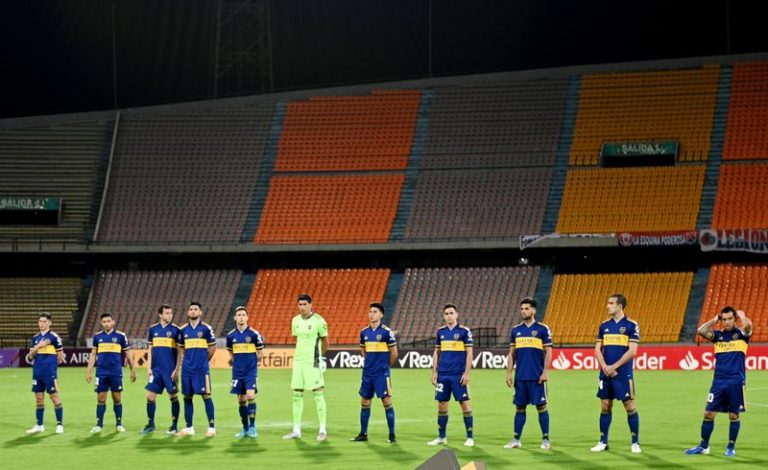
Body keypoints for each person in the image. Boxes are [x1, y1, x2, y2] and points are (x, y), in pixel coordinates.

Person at [685, 307, 753, 457]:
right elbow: (701, 331)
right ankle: (704, 446)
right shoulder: (717, 335)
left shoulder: (741, 334)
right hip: (718, 382)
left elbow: (749, 327)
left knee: (733, 415)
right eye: (724, 319)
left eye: (729, 318)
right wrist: (714, 320)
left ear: (734, 319)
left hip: (736, 381)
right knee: (708, 413)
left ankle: (730, 447)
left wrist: (743, 316)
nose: (727, 322)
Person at [590, 294, 641, 453]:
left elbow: (632, 351)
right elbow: (598, 349)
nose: (607, 306)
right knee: (605, 405)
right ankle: (603, 441)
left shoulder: (631, 325)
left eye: (611, 303)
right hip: (605, 372)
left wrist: (614, 367)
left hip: (623, 373)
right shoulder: (603, 325)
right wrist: (605, 366)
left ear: (620, 306)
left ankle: (635, 442)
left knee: (629, 406)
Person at [504, 298, 553, 449]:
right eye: (522, 309)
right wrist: (509, 373)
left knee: (541, 407)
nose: (523, 311)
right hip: (521, 377)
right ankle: (516, 439)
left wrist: (545, 372)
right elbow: (512, 354)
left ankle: (545, 440)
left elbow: (549, 351)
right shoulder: (515, 330)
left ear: (533, 311)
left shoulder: (542, 329)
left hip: (537, 377)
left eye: (526, 308)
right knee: (519, 408)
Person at [283, 294, 329, 441]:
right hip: (298, 362)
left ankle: (322, 429)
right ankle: (296, 430)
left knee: (318, 392)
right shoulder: (295, 321)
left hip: (312, 362)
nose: (301, 307)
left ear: (310, 305)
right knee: (297, 394)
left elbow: (325, 341)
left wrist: (317, 356)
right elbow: (297, 339)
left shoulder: (319, 321)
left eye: (304, 304)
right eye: (300, 304)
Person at [350, 302, 398, 443]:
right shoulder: (364, 332)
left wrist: (385, 367)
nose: (371, 314)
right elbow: (363, 351)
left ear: (381, 314)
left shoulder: (386, 332)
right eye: (370, 311)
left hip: (381, 374)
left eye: (375, 311)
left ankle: (392, 435)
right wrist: (370, 364)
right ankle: (363, 434)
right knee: (365, 401)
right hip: (367, 373)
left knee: (386, 401)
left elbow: (394, 353)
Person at [427, 303, 474, 447]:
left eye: (451, 313)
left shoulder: (464, 331)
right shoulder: (440, 332)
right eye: (446, 314)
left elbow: (469, 353)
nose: (449, 316)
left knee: (464, 404)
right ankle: (442, 437)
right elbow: (437, 352)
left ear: (457, 314)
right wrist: (434, 372)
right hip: (443, 374)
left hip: (458, 375)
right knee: (442, 405)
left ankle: (470, 437)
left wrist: (466, 373)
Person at [85, 312, 137, 433]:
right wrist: (88, 372)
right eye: (104, 322)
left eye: (109, 321)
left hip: (115, 372)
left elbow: (128, 355)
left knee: (117, 397)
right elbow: (93, 355)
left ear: (113, 322)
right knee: (101, 398)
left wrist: (132, 370)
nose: (106, 324)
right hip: (101, 373)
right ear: (101, 323)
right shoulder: (97, 337)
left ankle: (119, 424)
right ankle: (99, 424)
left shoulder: (120, 336)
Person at [175, 301, 217, 437]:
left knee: (206, 396)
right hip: (187, 369)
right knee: (187, 397)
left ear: (200, 312)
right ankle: (189, 428)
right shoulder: (182, 330)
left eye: (196, 309)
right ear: (188, 312)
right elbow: (180, 347)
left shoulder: (206, 328)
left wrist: (204, 361)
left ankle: (211, 427)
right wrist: (181, 364)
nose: (193, 311)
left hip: (201, 369)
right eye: (191, 309)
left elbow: (212, 347)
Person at [140, 304, 182, 435]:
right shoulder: (153, 329)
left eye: (171, 313)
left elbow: (180, 352)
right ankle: (151, 424)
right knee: (150, 396)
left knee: (173, 397)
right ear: (160, 315)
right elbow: (150, 350)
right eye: (167, 313)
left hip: (170, 371)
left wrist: (177, 370)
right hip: (156, 371)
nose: (170, 315)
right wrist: (148, 368)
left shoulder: (176, 330)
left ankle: (174, 425)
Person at [225, 306, 265, 438]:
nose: (241, 317)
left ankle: (253, 427)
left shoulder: (254, 334)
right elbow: (231, 353)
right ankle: (245, 428)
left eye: (243, 315)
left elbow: (261, 353)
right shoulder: (231, 336)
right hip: (237, 373)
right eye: (239, 315)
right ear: (235, 317)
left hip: (250, 372)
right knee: (241, 399)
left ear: (247, 317)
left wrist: (251, 363)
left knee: (250, 396)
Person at [25, 313, 65, 434]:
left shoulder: (54, 337)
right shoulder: (35, 338)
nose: (41, 324)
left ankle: (59, 425)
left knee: (54, 397)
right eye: (40, 321)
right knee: (39, 399)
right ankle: (39, 425)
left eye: (44, 321)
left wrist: (52, 369)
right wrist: (39, 346)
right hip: (37, 373)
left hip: (49, 373)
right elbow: (30, 357)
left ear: (50, 323)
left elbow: (60, 357)